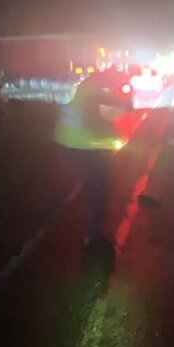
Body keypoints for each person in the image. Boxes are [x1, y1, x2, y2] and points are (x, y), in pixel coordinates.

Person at [54, 69, 132, 250]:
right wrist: (118, 140)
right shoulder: (100, 92)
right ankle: (92, 237)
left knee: (67, 185)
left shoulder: (86, 87)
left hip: (65, 142)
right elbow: (96, 127)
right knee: (99, 191)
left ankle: (48, 217)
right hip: (85, 147)